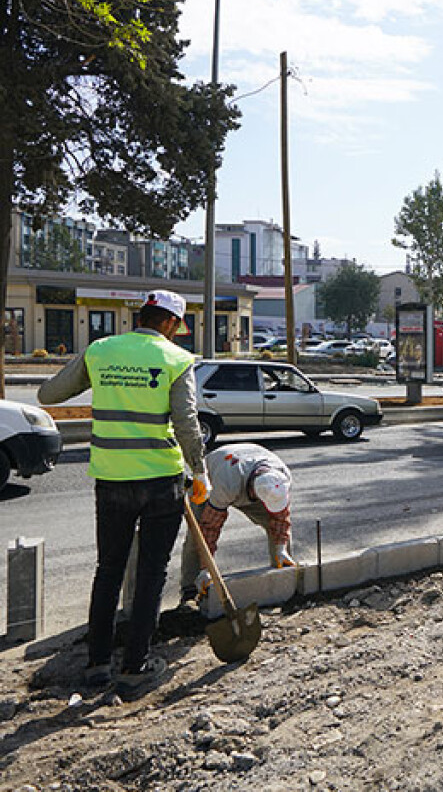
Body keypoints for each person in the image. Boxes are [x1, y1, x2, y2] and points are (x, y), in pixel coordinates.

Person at [39, 290, 207, 698]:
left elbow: (48, 395)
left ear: (142, 316)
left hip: (111, 480)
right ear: (170, 323)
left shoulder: (101, 351)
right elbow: (186, 423)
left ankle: (97, 664)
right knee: (151, 574)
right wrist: (199, 471)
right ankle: (134, 667)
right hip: (160, 482)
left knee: (108, 570)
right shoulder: (175, 359)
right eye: (177, 327)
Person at [180, 444, 295, 603]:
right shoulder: (225, 485)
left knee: (277, 528)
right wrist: (205, 568)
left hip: (249, 472)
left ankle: (282, 575)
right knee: (197, 535)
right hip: (212, 479)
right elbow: (210, 528)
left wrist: (281, 547)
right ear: (253, 492)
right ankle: (191, 590)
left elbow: (281, 518)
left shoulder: (281, 479)